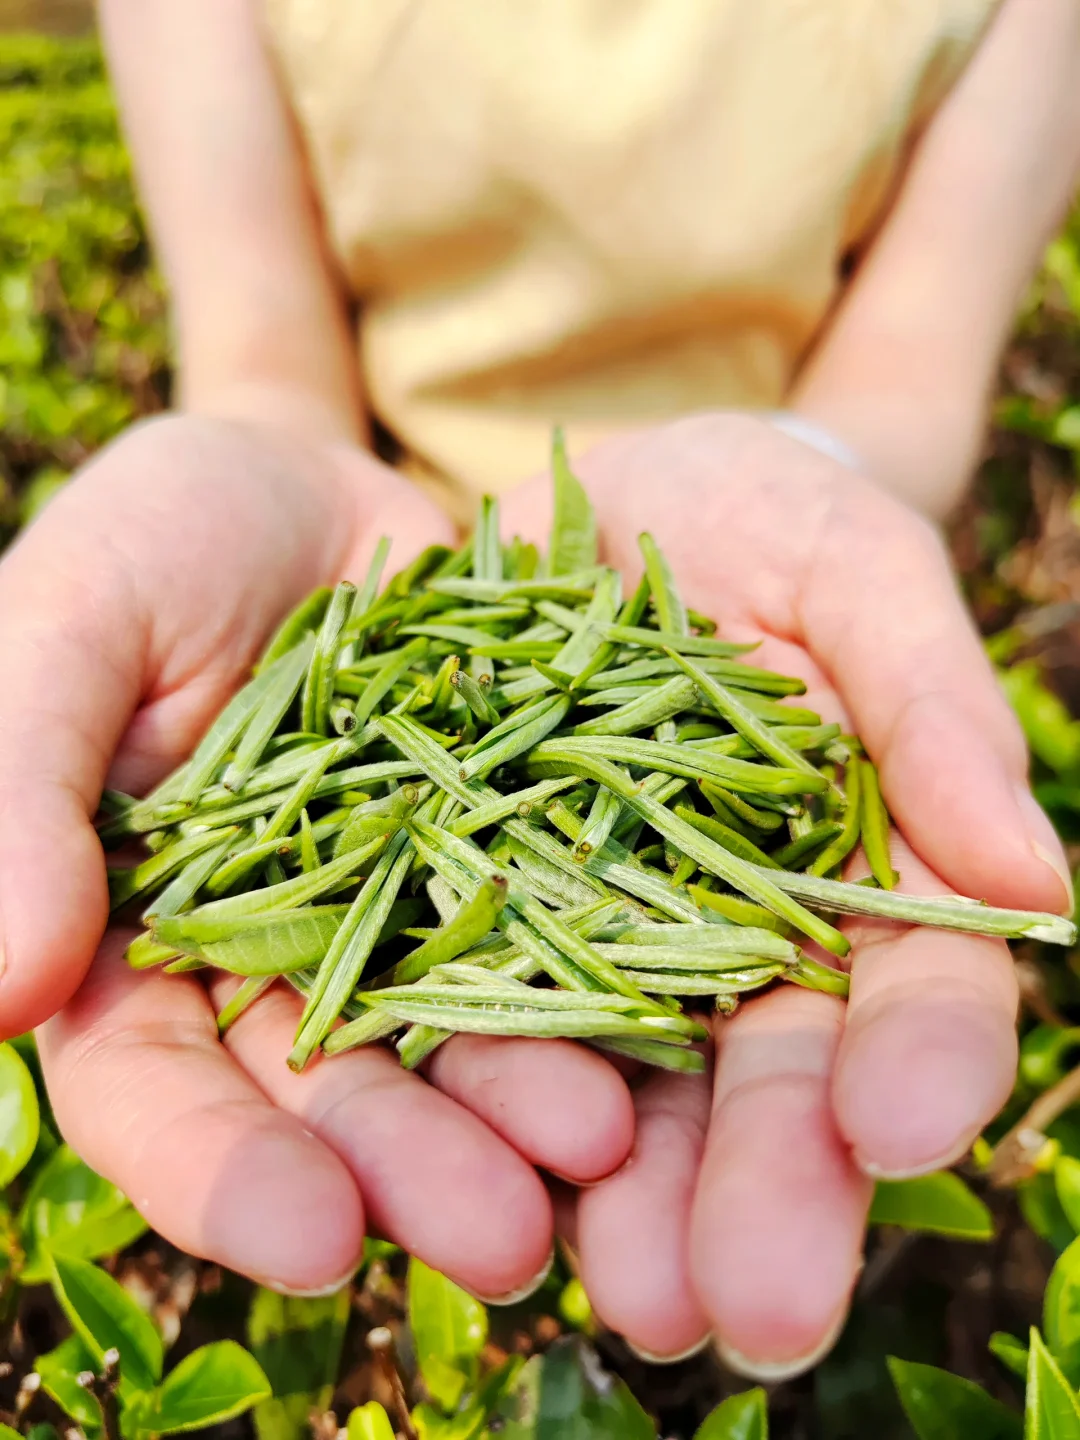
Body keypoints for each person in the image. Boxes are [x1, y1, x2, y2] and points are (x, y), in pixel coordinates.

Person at [1, 0, 1078, 1379]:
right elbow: (263, 349)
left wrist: (820, 478)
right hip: (359, 571)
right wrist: (263, 463)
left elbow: (909, 373)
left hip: (739, 595)